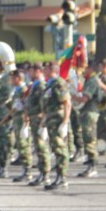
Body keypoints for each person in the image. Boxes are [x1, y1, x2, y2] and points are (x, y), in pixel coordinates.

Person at [40, 60, 71, 190]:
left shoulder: (59, 83)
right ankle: (58, 175)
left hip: (58, 120)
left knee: (60, 149)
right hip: (51, 120)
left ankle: (62, 177)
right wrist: (44, 122)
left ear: (53, 70)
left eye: (46, 69)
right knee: (55, 148)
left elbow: (67, 102)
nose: (43, 72)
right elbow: (48, 105)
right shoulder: (49, 85)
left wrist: (64, 122)